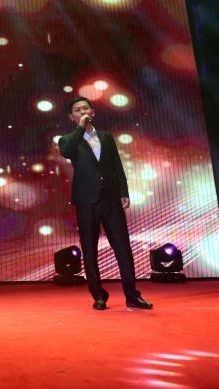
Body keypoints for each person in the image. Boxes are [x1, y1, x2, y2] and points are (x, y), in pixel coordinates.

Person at [58, 96, 152, 311]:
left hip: (110, 198)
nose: (83, 112)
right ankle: (98, 296)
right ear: (72, 117)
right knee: (89, 249)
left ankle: (132, 295)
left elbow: (117, 166)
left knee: (123, 247)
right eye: (77, 110)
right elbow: (67, 152)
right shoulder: (67, 139)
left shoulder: (106, 137)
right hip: (86, 200)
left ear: (93, 112)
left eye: (85, 108)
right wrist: (80, 129)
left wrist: (123, 191)